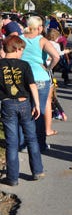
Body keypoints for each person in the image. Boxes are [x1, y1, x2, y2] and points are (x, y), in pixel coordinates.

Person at [0, 35, 44, 186]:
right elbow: (32, 86)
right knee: (31, 138)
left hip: (7, 104)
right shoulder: (24, 65)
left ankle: (12, 178)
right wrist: (37, 105)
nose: (22, 54)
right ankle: (37, 171)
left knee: (11, 142)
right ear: (17, 49)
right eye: (22, 50)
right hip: (24, 103)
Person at [20, 16, 60, 152]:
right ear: (38, 27)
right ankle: (40, 143)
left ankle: (23, 143)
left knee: (24, 111)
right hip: (41, 79)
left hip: (23, 78)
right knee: (40, 112)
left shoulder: (20, 38)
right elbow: (56, 56)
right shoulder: (42, 40)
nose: (43, 28)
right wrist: (48, 68)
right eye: (42, 26)